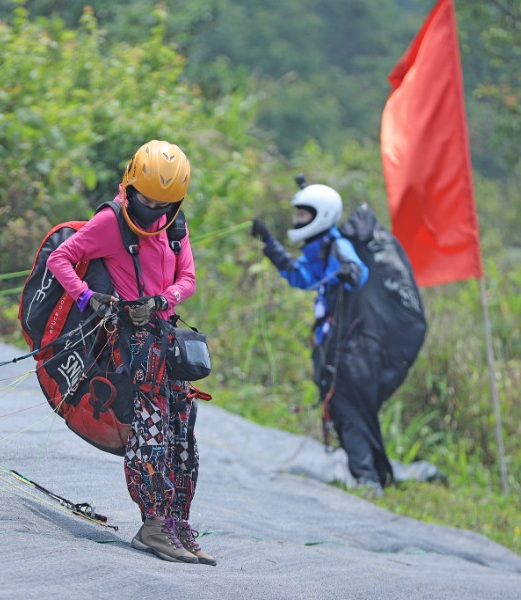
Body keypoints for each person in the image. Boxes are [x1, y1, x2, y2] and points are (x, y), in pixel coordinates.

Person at [46, 140, 215, 565]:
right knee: (151, 426)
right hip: (131, 342)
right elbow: (61, 259)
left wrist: (163, 299)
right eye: (146, 200)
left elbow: (188, 278)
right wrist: (89, 298)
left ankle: (178, 523)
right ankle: (153, 524)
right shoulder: (110, 222)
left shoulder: (175, 225)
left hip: (166, 334)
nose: (153, 210)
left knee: (183, 431)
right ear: (130, 185)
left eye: (164, 203)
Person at [251, 177, 426, 497]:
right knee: (344, 407)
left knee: (347, 408)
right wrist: (270, 245)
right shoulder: (320, 247)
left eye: (304, 215)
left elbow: (358, 273)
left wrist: (350, 271)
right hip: (333, 344)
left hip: (350, 347)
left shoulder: (337, 245)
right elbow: (301, 277)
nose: (298, 221)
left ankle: (368, 480)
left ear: (321, 216)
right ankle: (370, 474)